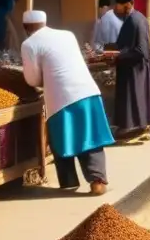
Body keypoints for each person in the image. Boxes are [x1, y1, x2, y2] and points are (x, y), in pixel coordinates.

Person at [21, 11, 114, 195]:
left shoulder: (29, 44)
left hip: (61, 97)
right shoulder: (67, 35)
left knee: (62, 139)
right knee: (91, 137)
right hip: (88, 91)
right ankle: (97, 181)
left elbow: (32, 79)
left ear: (26, 28)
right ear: (45, 22)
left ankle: (69, 181)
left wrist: (44, 79)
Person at [106, 0, 150, 142]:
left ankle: (136, 129)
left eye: (118, 5)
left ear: (128, 5)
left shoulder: (135, 21)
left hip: (135, 70)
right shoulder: (133, 19)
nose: (116, 8)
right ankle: (135, 127)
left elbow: (140, 50)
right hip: (132, 68)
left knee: (135, 100)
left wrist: (117, 55)